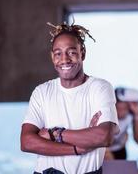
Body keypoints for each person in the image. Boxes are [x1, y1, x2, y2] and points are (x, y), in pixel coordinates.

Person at [20, 21, 119, 174]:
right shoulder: (42, 92)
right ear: (53, 57)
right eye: (58, 53)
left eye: (71, 52)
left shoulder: (100, 88)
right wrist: (76, 148)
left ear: (83, 53)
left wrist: (54, 134)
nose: (64, 59)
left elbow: (105, 136)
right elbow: (26, 142)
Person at [106, 88, 138, 160]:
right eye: (117, 109)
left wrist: (137, 115)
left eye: (124, 109)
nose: (120, 113)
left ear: (129, 106)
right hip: (100, 150)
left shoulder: (134, 113)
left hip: (120, 150)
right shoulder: (104, 111)